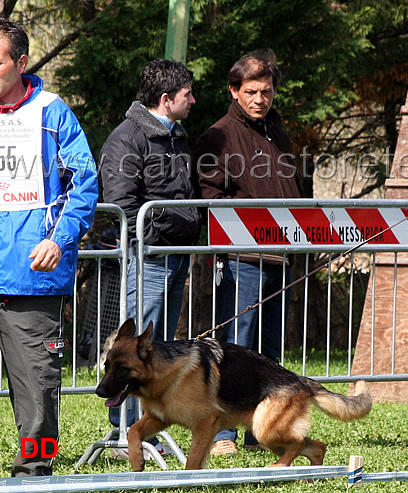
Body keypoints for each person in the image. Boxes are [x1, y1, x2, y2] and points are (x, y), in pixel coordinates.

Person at [0, 18, 98, 476]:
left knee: (38, 392)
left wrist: (59, 240)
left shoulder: (53, 111)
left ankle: (35, 476)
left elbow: (84, 181)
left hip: (31, 275)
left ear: (20, 63)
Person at [195, 51, 303, 456]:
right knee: (233, 351)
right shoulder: (216, 136)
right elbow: (210, 200)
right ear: (234, 92)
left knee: (271, 357)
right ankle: (223, 436)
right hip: (241, 260)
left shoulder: (278, 133)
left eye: (267, 91)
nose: (260, 99)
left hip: (281, 259)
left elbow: (296, 190)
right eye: (252, 91)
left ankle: (262, 433)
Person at [100, 58, 201, 454]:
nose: (193, 100)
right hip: (150, 257)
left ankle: (146, 428)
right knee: (133, 351)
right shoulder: (126, 139)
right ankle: (125, 429)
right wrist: (154, 238)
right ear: (166, 98)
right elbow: (121, 203)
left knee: (155, 350)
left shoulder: (176, 136)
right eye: (187, 94)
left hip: (176, 254)